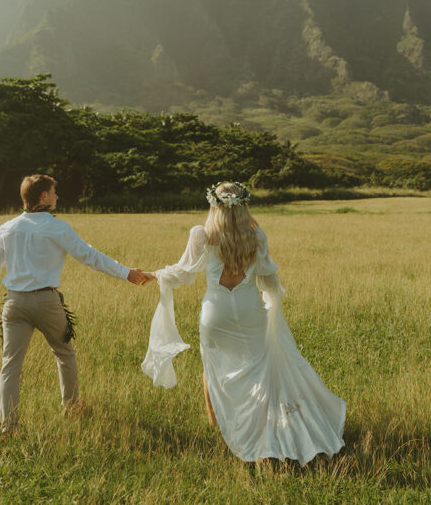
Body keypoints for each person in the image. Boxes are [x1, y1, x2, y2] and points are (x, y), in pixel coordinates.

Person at [141, 181, 346, 465]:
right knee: (258, 372)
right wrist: (273, 301)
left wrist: (154, 274)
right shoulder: (255, 235)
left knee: (212, 367)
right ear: (244, 206)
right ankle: (267, 428)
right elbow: (268, 280)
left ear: (214, 205)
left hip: (216, 312)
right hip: (250, 313)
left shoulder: (202, 234)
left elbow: (181, 271)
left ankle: (217, 423)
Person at [0, 173, 152, 437]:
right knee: (64, 353)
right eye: (54, 192)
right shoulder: (56, 227)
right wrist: (126, 272)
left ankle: (9, 426)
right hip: (47, 301)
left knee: (10, 364)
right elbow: (90, 256)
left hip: (13, 303)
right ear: (43, 197)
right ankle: (71, 408)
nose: (57, 197)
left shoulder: (7, 228)